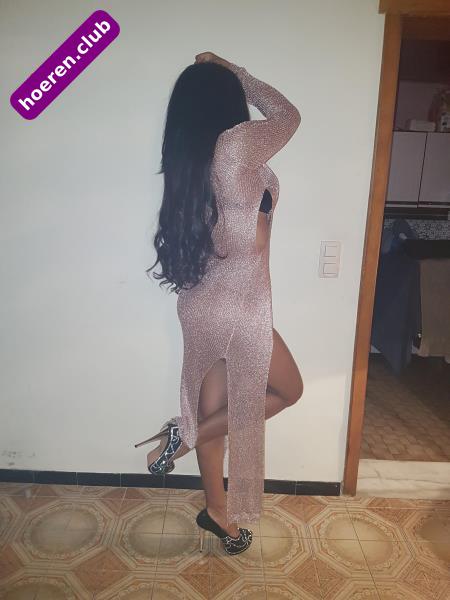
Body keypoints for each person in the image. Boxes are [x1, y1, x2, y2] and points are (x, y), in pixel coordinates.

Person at [135, 52, 304, 555]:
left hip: (201, 303)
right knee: (288, 390)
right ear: (226, 102)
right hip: (238, 308)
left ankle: (217, 512)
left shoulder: (193, 160)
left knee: (218, 412)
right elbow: (288, 115)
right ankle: (184, 437)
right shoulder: (234, 148)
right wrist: (238, 72)